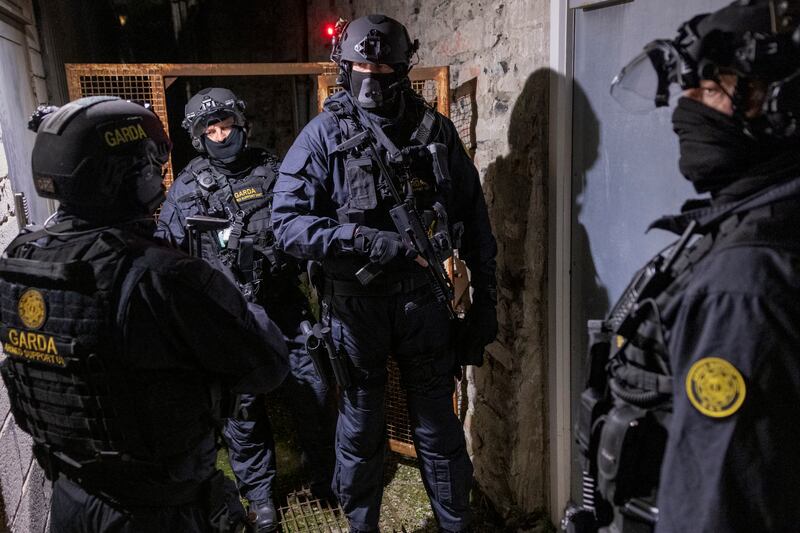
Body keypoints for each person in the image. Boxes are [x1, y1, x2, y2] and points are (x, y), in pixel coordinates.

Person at [0, 96, 290, 532]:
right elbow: (266, 364)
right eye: (152, 163)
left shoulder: (23, 258)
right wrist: (228, 288)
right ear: (129, 174)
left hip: (71, 498)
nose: (157, 173)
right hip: (158, 510)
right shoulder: (162, 274)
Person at [568, 1, 800, 532]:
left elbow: (718, 509)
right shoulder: (746, 222)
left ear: (782, 100)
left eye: (713, 86)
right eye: (687, 85)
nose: (685, 108)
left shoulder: (747, 281)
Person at [271, 14, 498, 533]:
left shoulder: (434, 131)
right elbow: (285, 225)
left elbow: (475, 221)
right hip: (355, 308)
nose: (371, 76)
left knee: (438, 429)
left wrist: (485, 301)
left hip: (424, 303)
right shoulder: (322, 136)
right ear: (344, 68)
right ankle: (362, 525)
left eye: (384, 67)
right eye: (360, 66)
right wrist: (361, 238)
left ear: (403, 69)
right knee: (360, 431)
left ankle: (454, 524)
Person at [155, 88, 336, 531]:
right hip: (228, 322)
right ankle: (260, 497)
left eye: (226, 125)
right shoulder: (184, 193)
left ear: (241, 124)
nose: (221, 135)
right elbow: (167, 259)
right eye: (210, 130)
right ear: (198, 137)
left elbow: (307, 228)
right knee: (243, 414)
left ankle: (329, 479)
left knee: (312, 394)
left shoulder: (275, 172)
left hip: (284, 309)